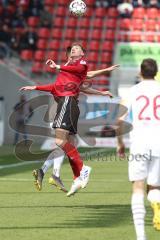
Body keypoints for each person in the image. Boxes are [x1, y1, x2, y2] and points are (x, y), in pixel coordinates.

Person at [20, 43, 95, 197]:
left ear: (82, 54)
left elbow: (82, 71)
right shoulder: (68, 70)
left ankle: (81, 170)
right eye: (72, 49)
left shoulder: (81, 64)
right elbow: (55, 87)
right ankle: (76, 178)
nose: (74, 49)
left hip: (67, 102)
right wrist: (35, 88)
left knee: (60, 142)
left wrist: (58, 66)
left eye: (77, 48)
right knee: (70, 143)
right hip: (68, 103)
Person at [117, 58, 160, 239]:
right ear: (156, 72)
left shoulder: (133, 90)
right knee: (155, 186)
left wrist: (120, 143)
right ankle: (157, 204)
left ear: (140, 73)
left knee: (138, 187)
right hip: (159, 142)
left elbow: (118, 119)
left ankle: (141, 237)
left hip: (139, 143)